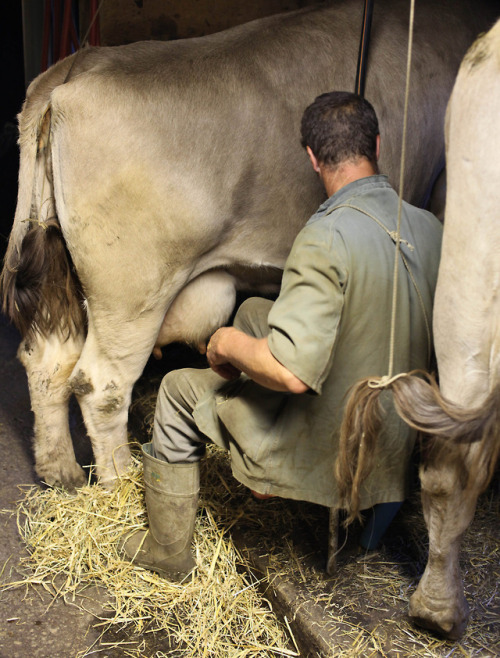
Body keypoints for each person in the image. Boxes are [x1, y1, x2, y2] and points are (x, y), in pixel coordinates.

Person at [119, 91, 443, 581]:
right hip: (400, 430)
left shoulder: (325, 236)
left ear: (312, 158)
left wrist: (224, 343)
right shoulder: (429, 227)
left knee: (176, 390)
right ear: (376, 144)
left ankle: (168, 553)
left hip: (339, 442)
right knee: (254, 310)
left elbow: (290, 374)